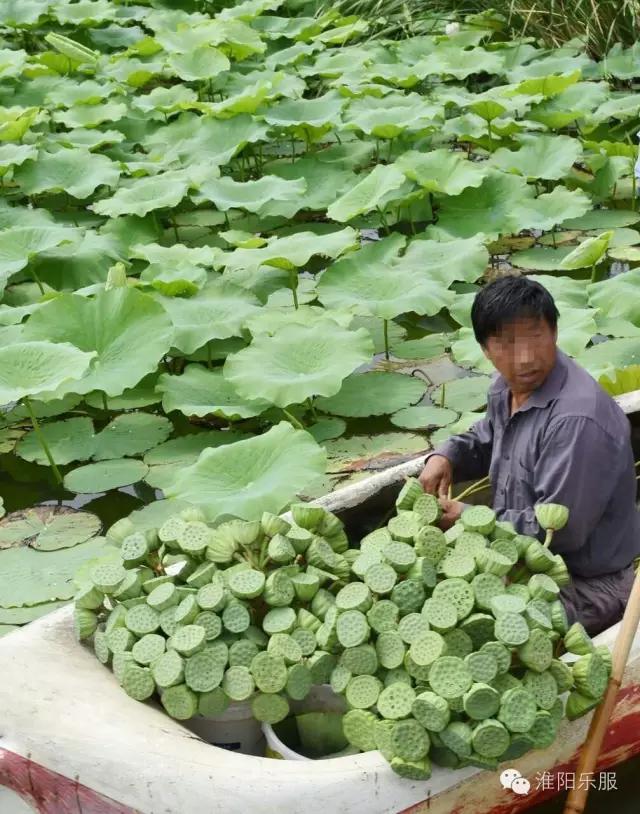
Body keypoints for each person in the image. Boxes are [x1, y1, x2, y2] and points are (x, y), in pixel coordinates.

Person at [419, 275, 640, 636]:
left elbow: (560, 532)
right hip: (525, 557)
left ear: (553, 332)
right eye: (506, 344)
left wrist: (467, 516)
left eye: (535, 337)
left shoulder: (576, 420)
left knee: (472, 630)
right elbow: (489, 436)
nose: (524, 358)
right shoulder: (508, 387)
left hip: (585, 583)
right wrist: (447, 456)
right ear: (486, 350)